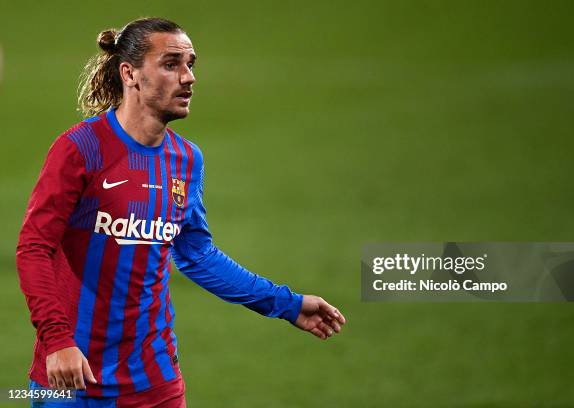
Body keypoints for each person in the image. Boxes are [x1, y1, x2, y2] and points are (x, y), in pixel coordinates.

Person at [16, 17, 346, 407]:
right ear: (130, 73)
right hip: (72, 378)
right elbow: (34, 247)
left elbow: (196, 254)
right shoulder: (81, 149)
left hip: (155, 381)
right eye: (171, 64)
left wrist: (287, 304)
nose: (188, 77)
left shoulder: (186, 160)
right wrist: (57, 341)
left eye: (191, 64)